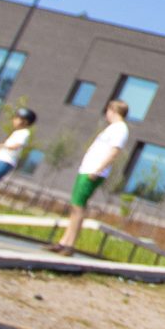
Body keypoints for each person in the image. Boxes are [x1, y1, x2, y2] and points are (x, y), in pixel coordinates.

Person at [52, 100, 132, 254]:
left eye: (108, 110)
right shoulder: (112, 128)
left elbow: (114, 152)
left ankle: (70, 245)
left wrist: (98, 170)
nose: (107, 114)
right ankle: (63, 241)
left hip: (93, 171)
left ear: (113, 110)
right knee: (74, 205)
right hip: (87, 169)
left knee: (79, 206)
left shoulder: (120, 129)